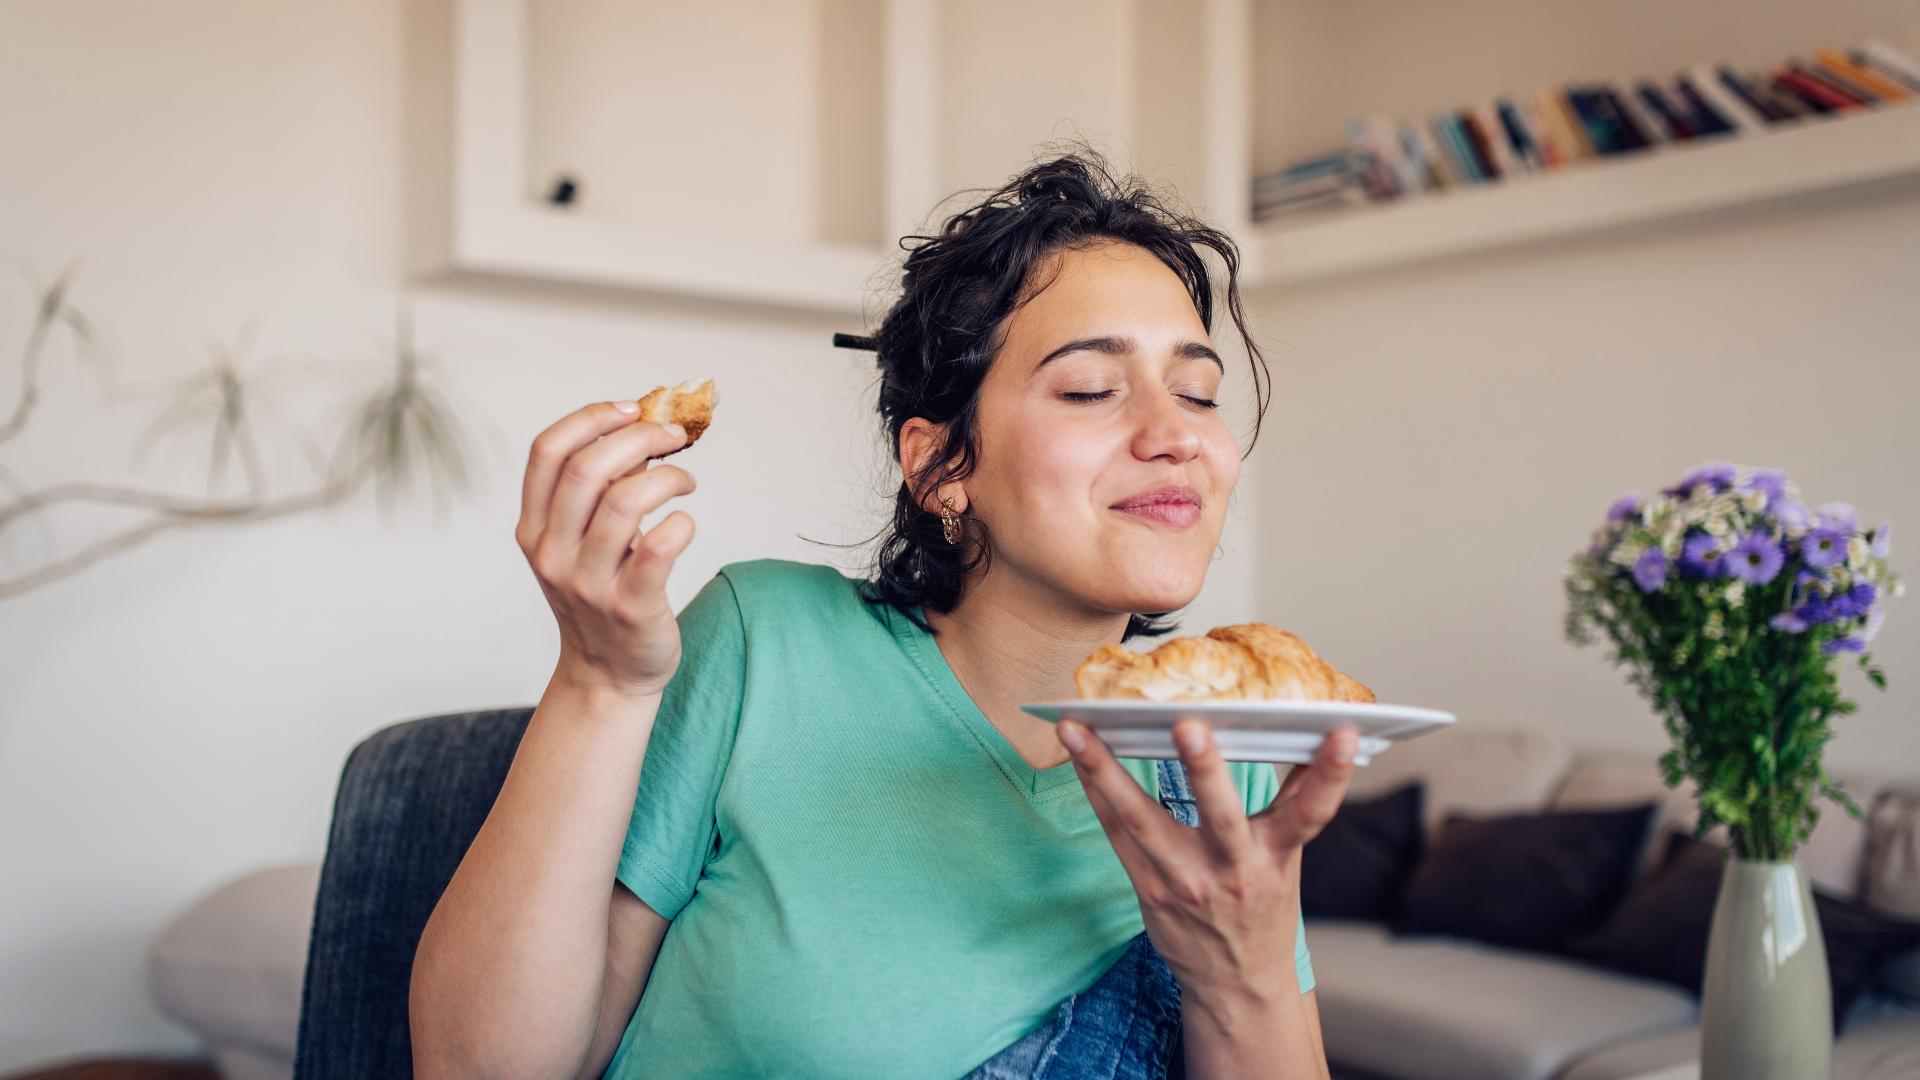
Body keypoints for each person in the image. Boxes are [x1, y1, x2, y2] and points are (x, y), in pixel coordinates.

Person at [409, 144, 1360, 1079]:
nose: (1178, 436)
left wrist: (1246, 981)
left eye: (1198, 392)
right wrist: (600, 681)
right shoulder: (764, 642)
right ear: (942, 466)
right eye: (1089, 388)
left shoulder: (1224, 749)